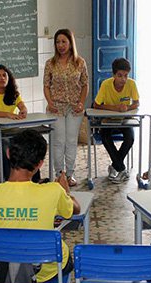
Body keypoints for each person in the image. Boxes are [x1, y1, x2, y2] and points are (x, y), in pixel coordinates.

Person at [0, 130, 81, 283]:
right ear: (40, 163)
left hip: (9, 269)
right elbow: (76, 210)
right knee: (64, 253)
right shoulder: (53, 191)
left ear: (8, 153)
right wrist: (66, 192)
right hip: (48, 269)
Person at [43, 29, 89, 186]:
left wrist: (81, 103)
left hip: (75, 107)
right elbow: (46, 86)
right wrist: (50, 103)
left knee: (71, 141)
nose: (61, 45)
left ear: (70, 43)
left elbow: (85, 85)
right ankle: (59, 174)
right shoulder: (50, 63)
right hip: (56, 107)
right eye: (58, 42)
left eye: (64, 41)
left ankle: (70, 174)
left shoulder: (80, 62)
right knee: (58, 141)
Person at [92, 57, 140, 183]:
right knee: (105, 137)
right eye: (120, 76)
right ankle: (122, 169)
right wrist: (114, 108)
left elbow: (136, 103)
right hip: (108, 120)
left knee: (130, 138)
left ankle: (114, 166)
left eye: (125, 76)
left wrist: (127, 107)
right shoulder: (106, 84)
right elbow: (96, 105)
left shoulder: (132, 84)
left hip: (124, 120)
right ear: (113, 75)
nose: (123, 79)